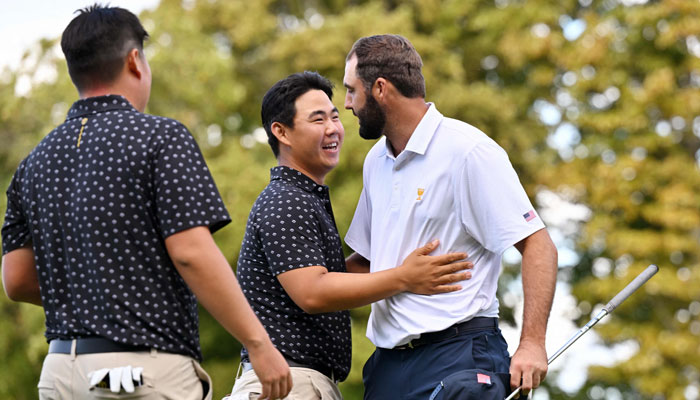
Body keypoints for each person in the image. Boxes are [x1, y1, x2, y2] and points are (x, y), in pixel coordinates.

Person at [0, 5, 290, 400]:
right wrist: (259, 344)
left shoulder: (32, 163)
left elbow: (16, 280)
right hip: (135, 375)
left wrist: (95, 293)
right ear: (135, 60)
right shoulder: (160, 138)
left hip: (59, 375)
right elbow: (191, 252)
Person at [227, 71, 473, 400]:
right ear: (281, 132)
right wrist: (404, 277)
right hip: (289, 384)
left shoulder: (303, 196)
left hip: (303, 382)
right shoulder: (286, 200)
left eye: (334, 117)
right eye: (317, 120)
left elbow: (338, 276)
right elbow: (313, 292)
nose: (333, 129)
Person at [342, 34, 559, 399]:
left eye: (352, 91)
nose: (347, 104)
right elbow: (366, 263)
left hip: (459, 358)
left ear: (380, 89)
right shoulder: (375, 160)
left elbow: (539, 245)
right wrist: (300, 283)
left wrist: (533, 343)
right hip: (387, 369)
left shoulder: (468, 151)